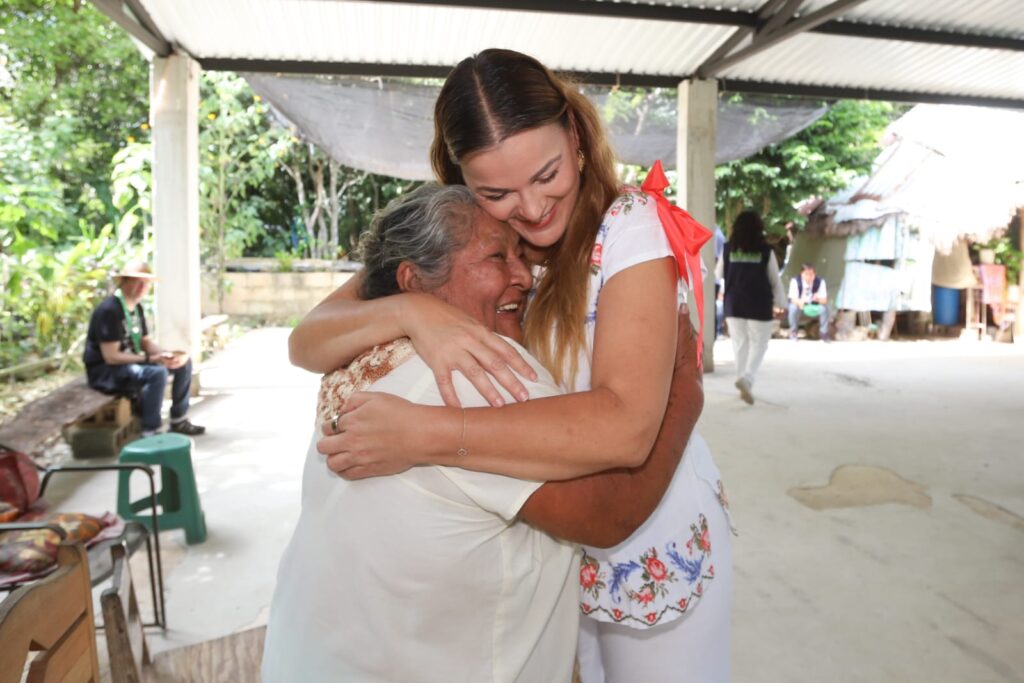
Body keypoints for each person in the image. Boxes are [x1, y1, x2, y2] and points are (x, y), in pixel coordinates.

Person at [288, 49, 732, 682]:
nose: (529, 207)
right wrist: (414, 311)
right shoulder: (478, 231)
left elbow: (626, 429)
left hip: (644, 538)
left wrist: (428, 434)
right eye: (495, 191)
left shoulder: (629, 230)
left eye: (546, 174)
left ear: (575, 137)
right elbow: (308, 340)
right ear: (462, 178)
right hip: (552, 536)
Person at [82, 261, 205, 437]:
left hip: (127, 364)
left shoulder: (135, 307)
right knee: (156, 373)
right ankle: (150, 429)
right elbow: (111, 357)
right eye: (137, 281)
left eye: (146, 283)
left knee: (183, 364)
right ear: (124, 282)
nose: (142, 287)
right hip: (105, 372)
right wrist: (150, 360)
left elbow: (145, 342)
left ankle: (179, 419)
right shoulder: (110, 310)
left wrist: (164, 355)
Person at [716, 211, 786, 405]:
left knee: (740, 344)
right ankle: (747, 379)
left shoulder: (728, 248)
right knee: (759, 344)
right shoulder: (765, 250)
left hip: (734, 303)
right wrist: (782, 303)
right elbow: (774, 279)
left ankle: (742, 381)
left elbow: (719, 273)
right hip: (759, 304)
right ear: (759, 229)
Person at [788, 263, 830, 341]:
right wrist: (802, 303)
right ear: (801, 274)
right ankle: (793, 332)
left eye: (811, 274)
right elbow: (792, 299)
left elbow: (825, 300)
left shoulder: (820, 282)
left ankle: (824, 333)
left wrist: (818, 299)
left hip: (814, 305)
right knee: (793, 307)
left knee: (824, 308)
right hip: (800, 305)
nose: (809, 277)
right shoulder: (795, 281)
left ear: (815, 274)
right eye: (806, 274)